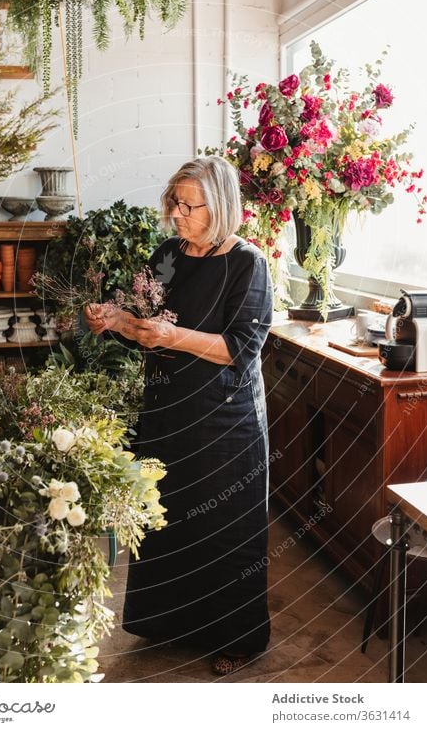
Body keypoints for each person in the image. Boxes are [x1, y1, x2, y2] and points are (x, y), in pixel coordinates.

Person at [84, 156, 273, 676]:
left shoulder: (247, 264)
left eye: (191, 205)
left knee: (223, 529)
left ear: (223, 206)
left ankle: (237, 636)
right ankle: (165, 623)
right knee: (165, 521)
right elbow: (146, 320)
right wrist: (117, 319)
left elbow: (241, 347)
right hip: (167, 411)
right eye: (175, 201)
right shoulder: (168, 254)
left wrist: (172, 336)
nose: (178, 213)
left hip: (223, 420)